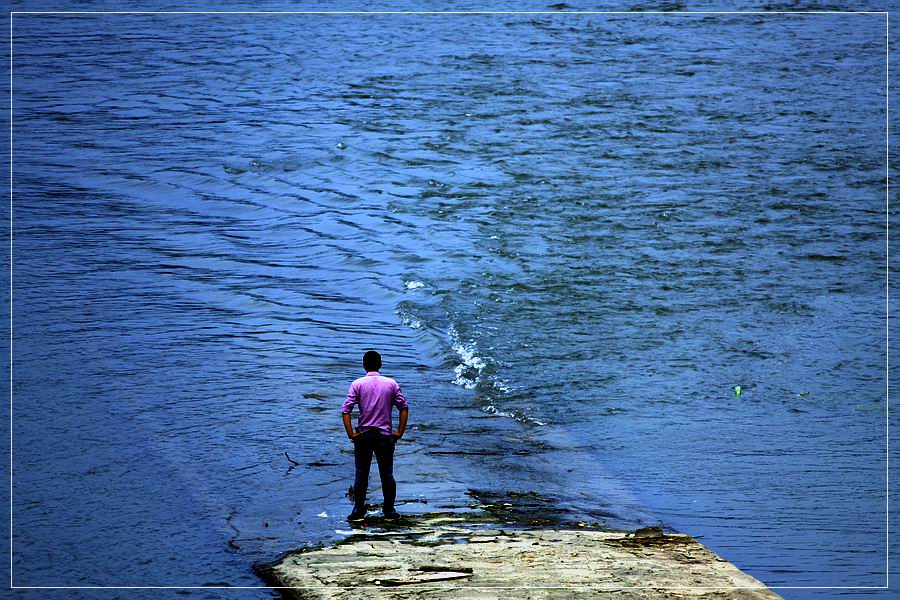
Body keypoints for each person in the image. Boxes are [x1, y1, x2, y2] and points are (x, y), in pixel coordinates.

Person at [340, 350, 409, 522]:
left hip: (363, 435)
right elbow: (404, 408)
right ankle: (389, 510)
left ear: (364, 365)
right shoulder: (391, 383)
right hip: (384, 436)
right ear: (380, 364)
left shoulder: (357, 384)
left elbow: (345, 410)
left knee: (361, 474)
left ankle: (358, 509)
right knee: (387, 474)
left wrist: (351, 433)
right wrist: (399, 432)